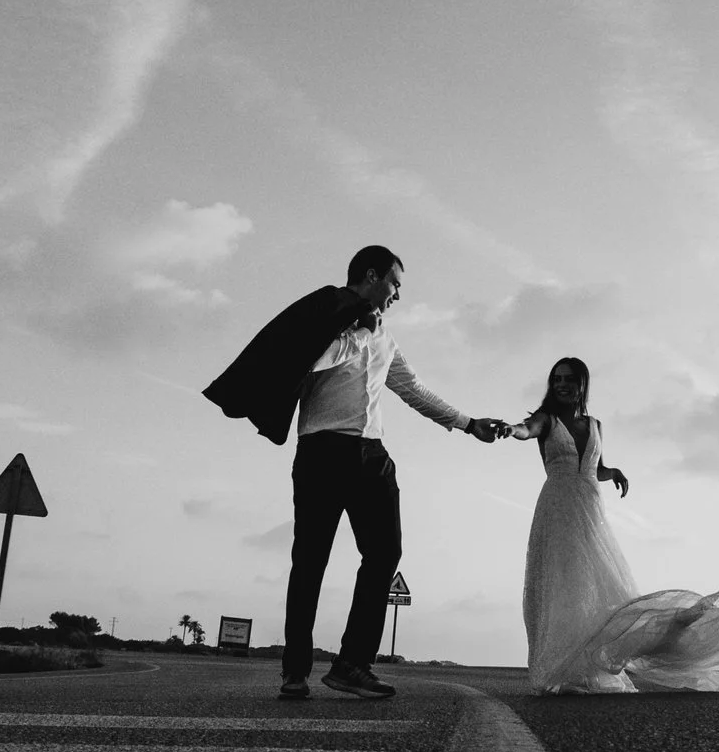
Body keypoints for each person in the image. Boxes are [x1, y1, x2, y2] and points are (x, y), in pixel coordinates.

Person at [203, 245, 505, 701]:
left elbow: (414, 389)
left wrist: (468, 423)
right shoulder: (326, 319)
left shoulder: (386, 338)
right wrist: (360, 332)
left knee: (385, 552)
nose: (398, 294)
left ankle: (352, 665)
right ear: (371, 275)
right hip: (321, 451)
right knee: (310, 561)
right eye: (395, 283)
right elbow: (311, 361)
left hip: (372, 455)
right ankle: (295, 670)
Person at [510, 356, 719, 694]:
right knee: (562, 587)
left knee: (600, 584)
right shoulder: (544, 419)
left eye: (569, 379)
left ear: (581, 384)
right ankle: (563, 668)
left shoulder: (595, 425)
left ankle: (612, 654)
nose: (562, 384)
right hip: (556, 509)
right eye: (557, 379)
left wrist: (612, 472)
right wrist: (511, 430)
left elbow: (594, 467)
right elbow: (526, 430)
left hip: (589, 510)